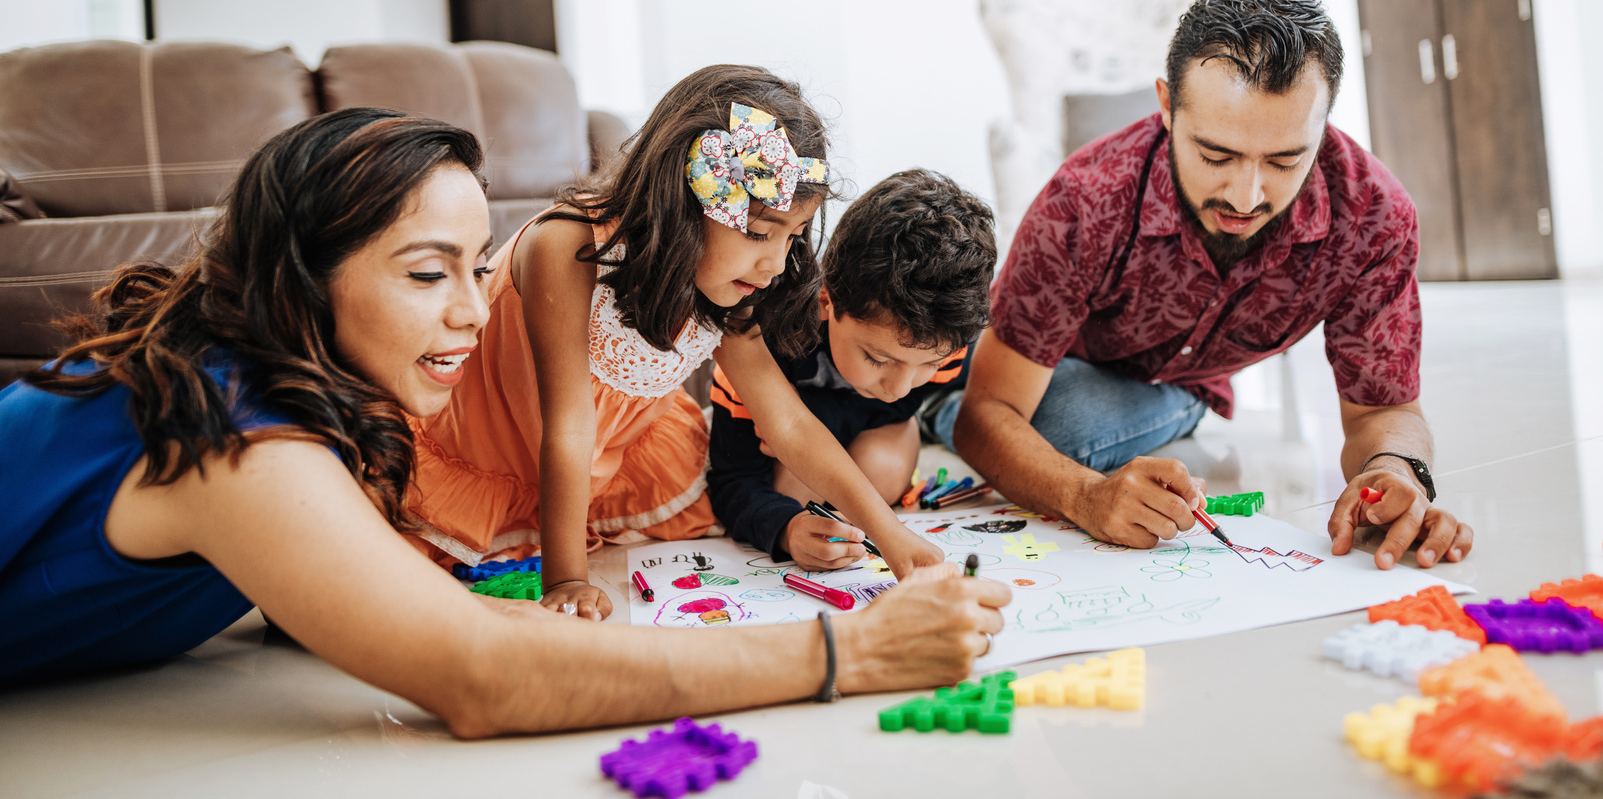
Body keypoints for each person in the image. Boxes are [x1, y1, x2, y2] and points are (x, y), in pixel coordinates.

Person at [0, 108, 1008, 727]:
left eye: (476, 268)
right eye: (426, 273)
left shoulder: (307, 404)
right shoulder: (241, 436)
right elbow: (479, 674)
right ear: (300, 282)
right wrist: (852, 654)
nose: (477, 314)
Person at [948, 0, 1474, 571]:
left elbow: (1385, 411)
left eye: (1284, 159)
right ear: (1168, 106)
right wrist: (1084, 497)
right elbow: (987, 414)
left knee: (1063, 424)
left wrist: (1394, 471)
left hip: (1178, 385)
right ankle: (937, 385)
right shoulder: (1085, 200)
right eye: (1216, 155)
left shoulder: (1374, 216)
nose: (1246, 196)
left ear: (1323, 123)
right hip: (1047, 361)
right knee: (1041, 417)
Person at [406, 65, 945, 621]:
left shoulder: (735, 284)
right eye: (759, 232)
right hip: (493, 448)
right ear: (683, 201)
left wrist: (891, 536)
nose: (776, 263)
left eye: (793, 236)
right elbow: (567, 426)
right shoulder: (565, 246)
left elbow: (787, 423)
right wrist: (567, 579)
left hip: (611, 461)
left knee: (724, 531)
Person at [707, 169, 996, 565]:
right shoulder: (763, 339)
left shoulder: (945, 337)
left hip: (872, 425)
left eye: (928, 364)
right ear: (827, 301)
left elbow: (894, 403)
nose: (900, 386)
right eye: (877, 358)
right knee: (792, 486)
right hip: (781, 436)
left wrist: (821, 416)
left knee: (882, 471)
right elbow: (731, 480)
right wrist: (788, 529)